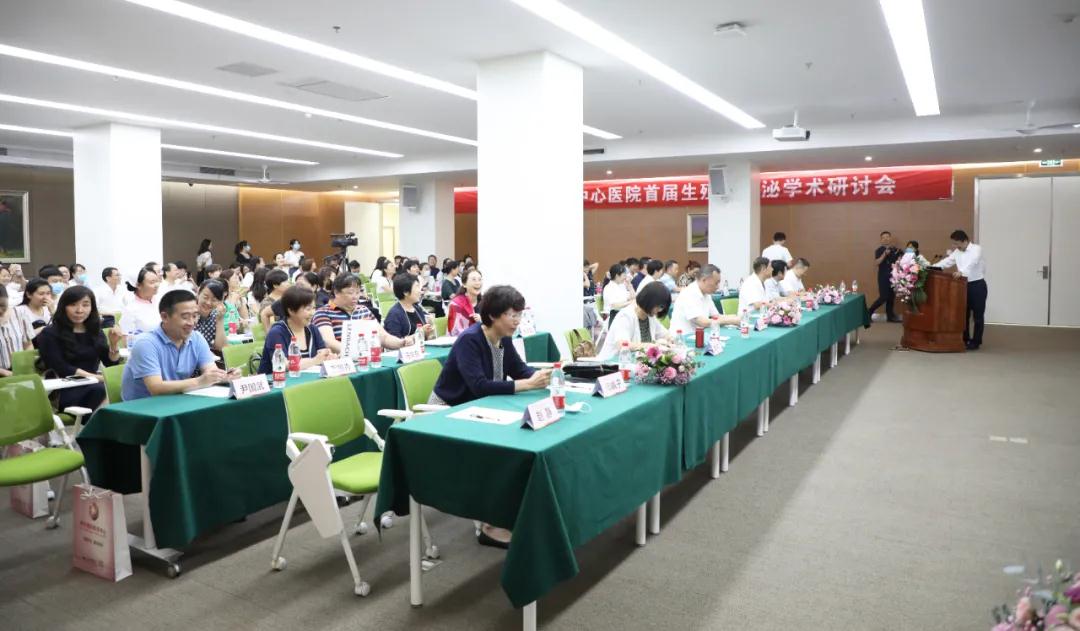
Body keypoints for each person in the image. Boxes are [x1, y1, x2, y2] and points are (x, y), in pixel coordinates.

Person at [429, 284, 548, 549]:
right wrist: (526, 384)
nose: (517, 321)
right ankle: (490, 525)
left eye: (519, 315)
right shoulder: (470, 340)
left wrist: (542, 377)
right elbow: (479, 386)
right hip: (449, 411)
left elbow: (519, 369)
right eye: (512, 315)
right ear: (493, 315)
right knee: (497, 452)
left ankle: (509, 512)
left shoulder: (503, 337)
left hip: (481, 409)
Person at [120, 289, 239, 401]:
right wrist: (199, 381)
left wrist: (224, 377)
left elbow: (211, 372)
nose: (191, 323)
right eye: (185, 317)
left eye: (195, 316)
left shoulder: (196, 338)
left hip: (177, 401)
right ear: (165, 317)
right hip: (143, 408)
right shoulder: (146, 344)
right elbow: (156, 388)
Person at [36, 286, 121, 409]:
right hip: (63, 388)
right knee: (103, 390)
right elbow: (61, 367)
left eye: (85, 305)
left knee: (116, 388)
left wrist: (114, 344)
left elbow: (110, 363)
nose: (79, 310)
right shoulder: (50, 333)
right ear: (63, 307)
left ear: (92, 308)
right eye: (73, 305)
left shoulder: (95, 331)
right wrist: (97, 378)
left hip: (93, 383)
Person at [312, 273, 409, 353]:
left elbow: (383, 337)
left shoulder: (363, 310)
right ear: (336, 292)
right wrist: (356, 353)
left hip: (367, 360)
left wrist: (402, 343)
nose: (355, 297)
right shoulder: (323, 313)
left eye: (358, 292)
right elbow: (328, 342)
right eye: (350, 293)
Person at [258, 286, 334, 374]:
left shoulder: (313, 329)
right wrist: (315, 360)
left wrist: (328, 356)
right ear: (291, 310)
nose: (312, 313)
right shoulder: (276, 333)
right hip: (278, 381)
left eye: (314, 308)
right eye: (308, 309)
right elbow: (283, 365)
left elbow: (322, 354)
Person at [933, 229, 987, 350]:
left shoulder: (976, 249)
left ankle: (976, 341)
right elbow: (947, 262)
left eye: (956, 243)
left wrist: (961, 272)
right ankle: (964, 338)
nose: (954, 246)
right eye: (953, 243)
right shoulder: (957, 252)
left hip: (977, 285)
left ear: (964, 241)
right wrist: (932, 267)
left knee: (978, 316)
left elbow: (973, 262)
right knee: (963, 314)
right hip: (962, 286)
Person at [599, 282, 672, 360]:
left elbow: (664, 334)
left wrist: (671, 340)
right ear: (650, 301)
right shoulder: (626, 316)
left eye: (662, 307)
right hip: (613, 363)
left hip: (636, 362)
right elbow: (623, 345)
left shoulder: (650, 317)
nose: (660, 310)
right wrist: (651, 345)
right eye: (660, 306)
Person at [671, 264, 737, 334]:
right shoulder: (689, 293)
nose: (718, 287)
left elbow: (717, 316)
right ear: (704, 280)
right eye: (716, 283)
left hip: (698, 335)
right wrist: (731, 321)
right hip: (682, 338)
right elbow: (702, 322)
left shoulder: (706, 294)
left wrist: (736, 317)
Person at [383, 273, 434, 340]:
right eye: (417, 287)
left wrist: (428, 331)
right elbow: (395, 342)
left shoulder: (417, 308)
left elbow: (425, 335)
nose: (420, 291)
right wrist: (420, 332)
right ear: (406, 292)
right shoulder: (394, 314)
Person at [867, 231, 902, 323]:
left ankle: (890, 316)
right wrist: (884, 254)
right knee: (884, 297)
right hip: (883, 276)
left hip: (894, 277)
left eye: (887, 237)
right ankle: (868, 312)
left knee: (891, 297)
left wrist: (900, 257)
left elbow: (899, 261)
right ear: (881, 240)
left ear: (890, 238)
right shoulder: (879, 250)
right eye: (884, 237)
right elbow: (876, 262)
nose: (886, 239)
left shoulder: (895, 250)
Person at [0, 285, 33, 377]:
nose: (0, 310)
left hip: (20, 372)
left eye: (3, 305)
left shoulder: (19, 314)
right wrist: (5, 373)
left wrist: (26, 363)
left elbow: (28, 344)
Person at [120, 267, 163, 334]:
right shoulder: (130, 310)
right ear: (138, 285)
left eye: (157, 281)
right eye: (152, 282)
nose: (157, 285)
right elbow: (128, 338)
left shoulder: (161, 300)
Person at [193, 280, 227, 352]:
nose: (208, 303)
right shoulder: (188, 313)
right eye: (205, 297)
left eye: (214, 300)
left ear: (220, 302)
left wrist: (220, 320)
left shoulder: (216, 315)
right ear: (198, 293)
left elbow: (221, 348)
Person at [448, 267, 483, 336]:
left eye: (480, 279)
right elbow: (456, 332)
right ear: (464, 284)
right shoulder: (456, 304)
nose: (478, 283)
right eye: (474, 280)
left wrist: (481, 321)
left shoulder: (485, 302)